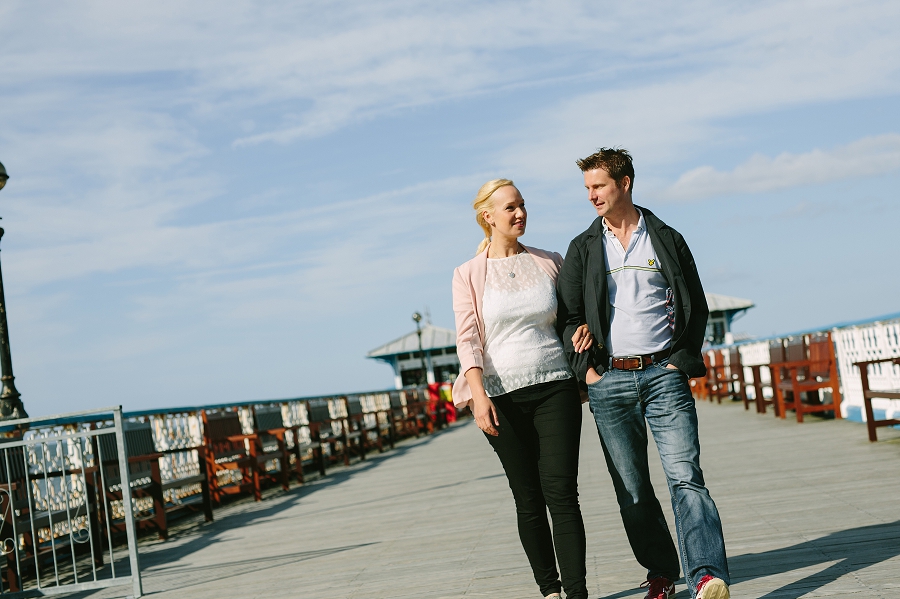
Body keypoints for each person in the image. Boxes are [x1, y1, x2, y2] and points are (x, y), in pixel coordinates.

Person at [556, 149, 731, 599]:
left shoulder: (667, 238)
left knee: (685, 475)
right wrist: (587, 371)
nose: (592, 195)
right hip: (609, 381)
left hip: (663, 373)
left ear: (626, 183)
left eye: (599, 186)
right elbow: (568, 316)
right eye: (587, 188)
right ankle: (660, 572)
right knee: (632, 489)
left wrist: (679, 360)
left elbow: (695, 305)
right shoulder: (583, 248)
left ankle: (706, 576)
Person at [452, 179, 593, 599]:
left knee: (562, 493)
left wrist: (583, 329)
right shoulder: (467, 274)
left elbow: (571, 315)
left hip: (556, 389)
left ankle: (578, 592)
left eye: (523, 206)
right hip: (500, 399)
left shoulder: (550, 261)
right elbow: (468, 338)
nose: (520, 214)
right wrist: (478, 396)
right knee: (527, 497)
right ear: (487, 217)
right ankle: (549, 590)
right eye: (510, 208)